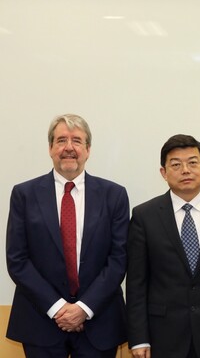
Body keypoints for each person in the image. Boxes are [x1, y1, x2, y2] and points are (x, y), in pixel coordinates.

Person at [6, 114, 129, 357]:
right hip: (40, 319)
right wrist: (58, 308)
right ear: (50, 148)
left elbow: (119, 258)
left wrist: (84, 308)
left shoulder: (114, 195)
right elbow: (17, 260)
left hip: (99, 320)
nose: (69, 148)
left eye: (77, 141)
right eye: (61, 140)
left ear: (88, 149)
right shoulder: (24, 194)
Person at [126, 134, 200, 358]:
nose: (185, 170)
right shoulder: (144, 216)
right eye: (176, 164)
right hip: (162, 336)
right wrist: (138, 338)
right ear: (163, 172)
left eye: (193, 162)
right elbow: (136, 283)